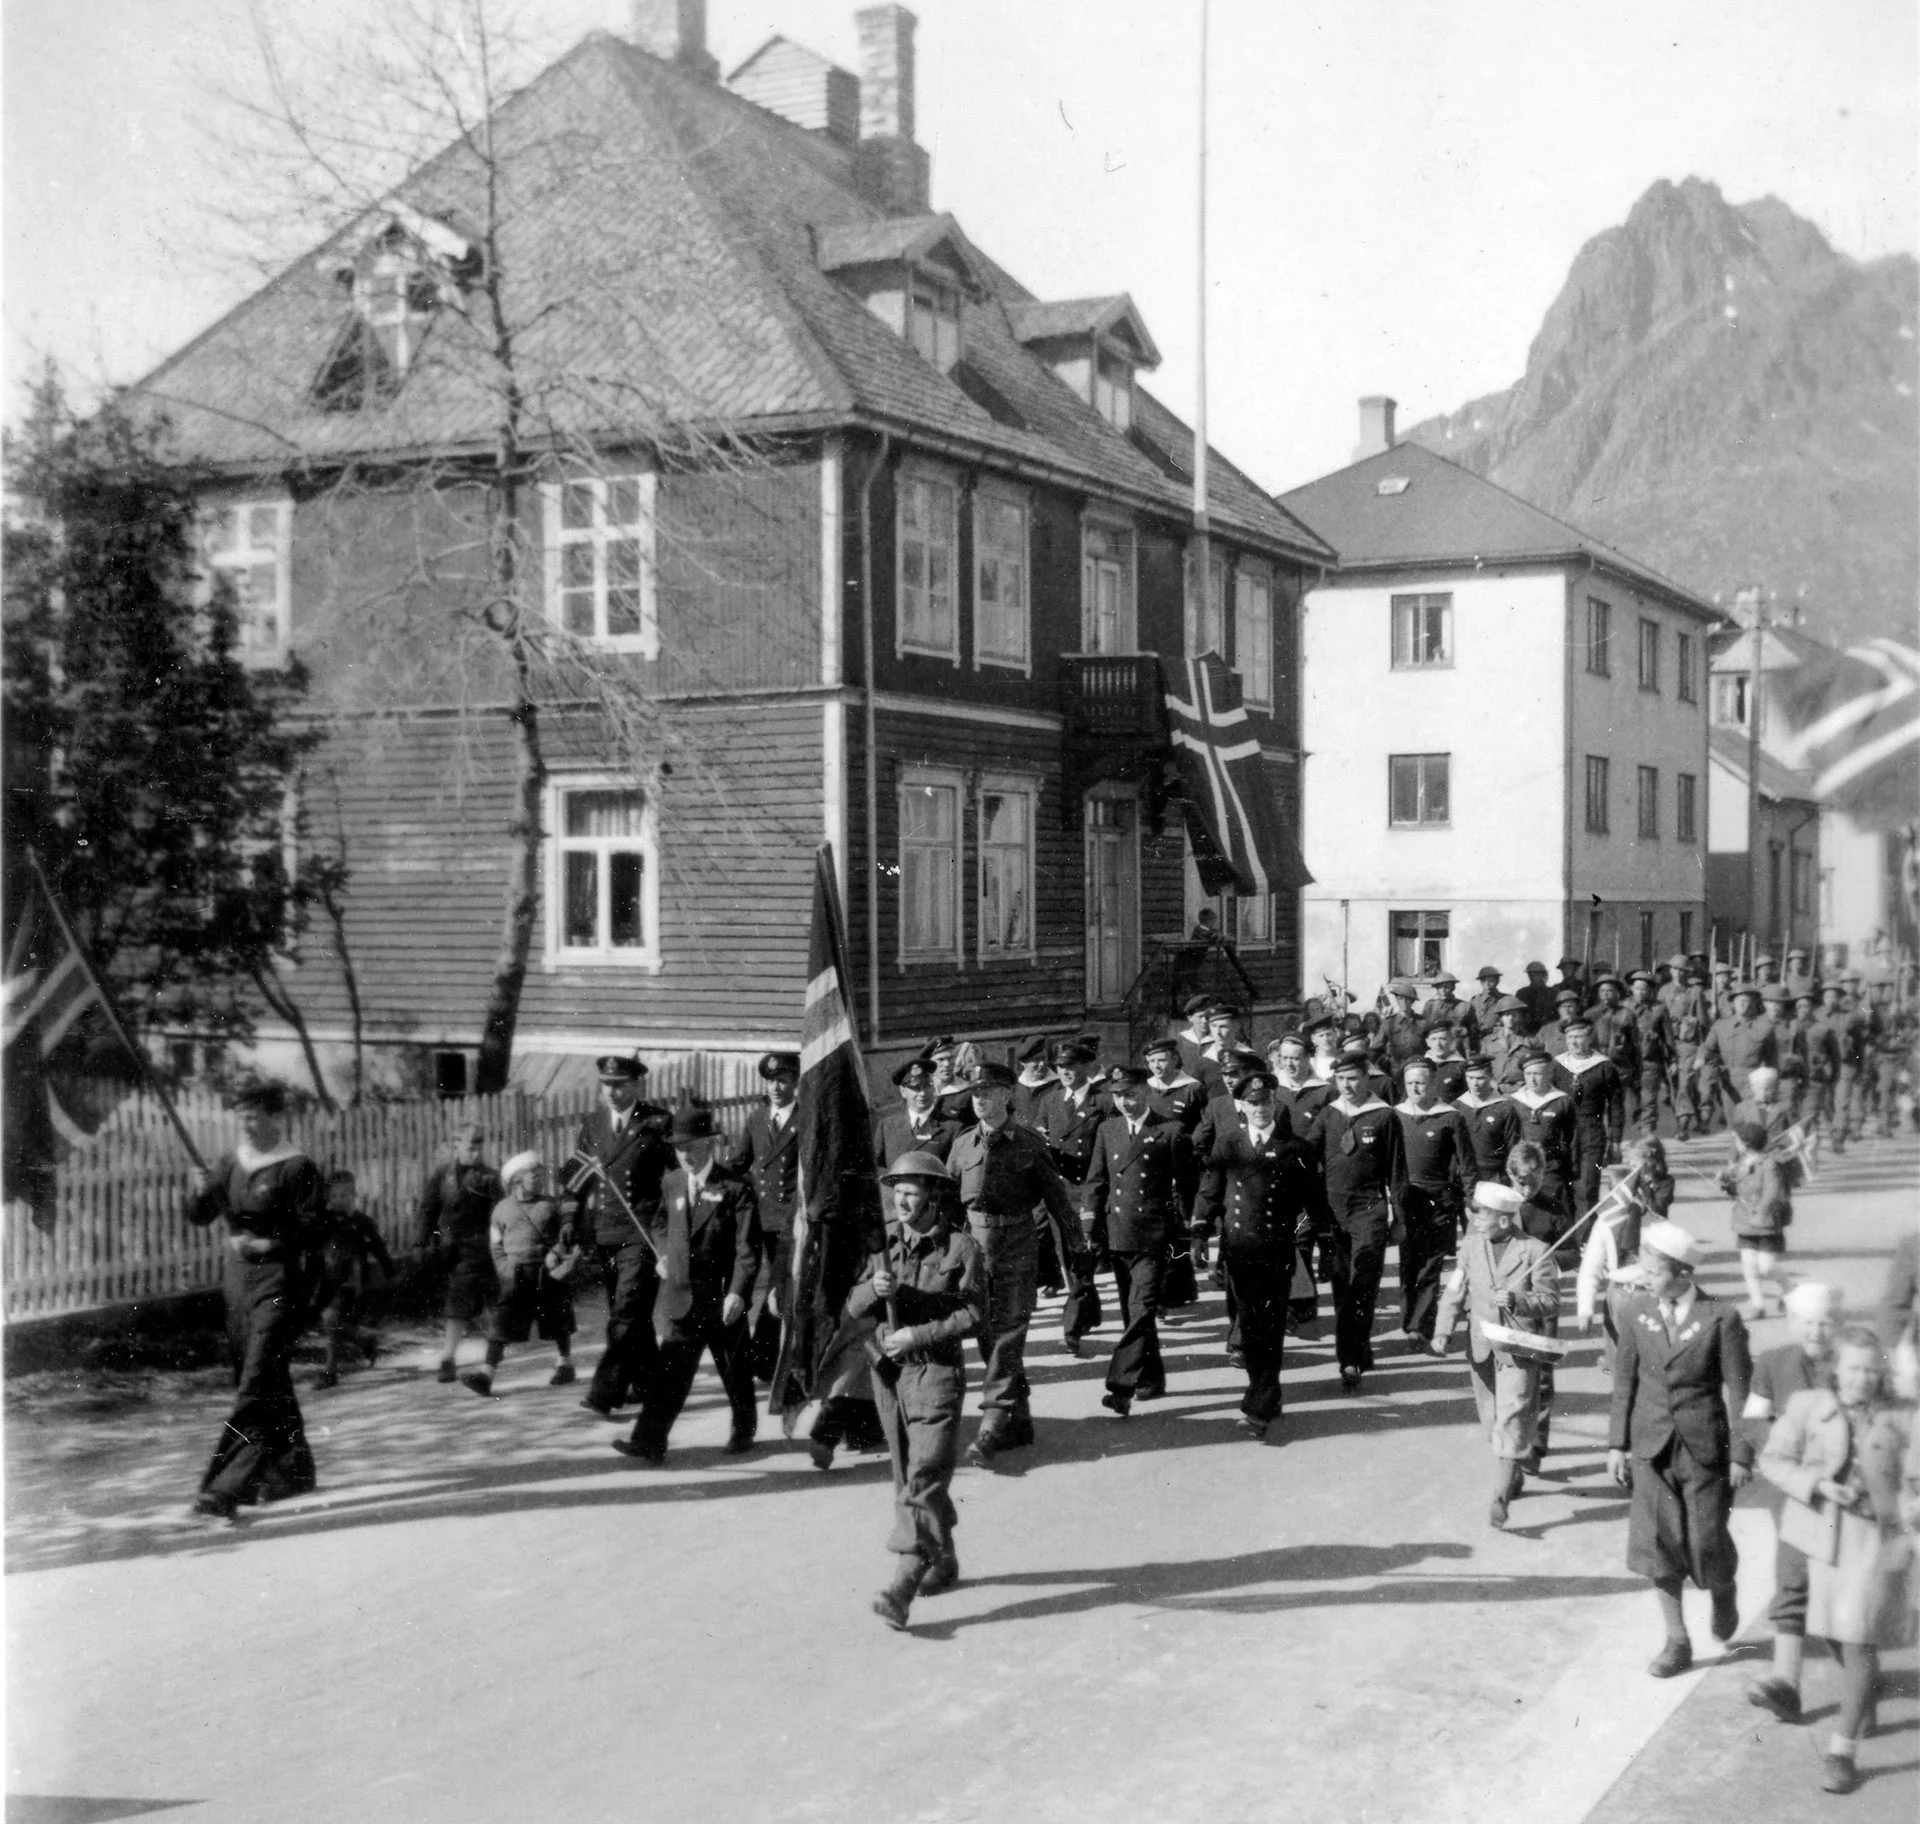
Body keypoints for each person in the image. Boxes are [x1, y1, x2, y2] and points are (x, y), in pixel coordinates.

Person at [1759, 1327, 1913, 1796]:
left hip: (1879, 1540)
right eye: (1853, 1369)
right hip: (1823, 1536)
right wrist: (1819, 1485)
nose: (1862, 1379)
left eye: (1871, 1369)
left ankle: (1840, 1752)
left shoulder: (1905, 1416)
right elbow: (1774, 1460)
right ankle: (1862, 1694)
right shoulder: (1808, 1407)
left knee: (1857, 1637)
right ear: (1835, 1370)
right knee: (1833, 1632)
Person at [1608, 1219, 1753, 1678]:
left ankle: (1723, 1587)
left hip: (1704, 1447)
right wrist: (1617, 1444)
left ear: (1683, 1273)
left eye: (1652, 1270)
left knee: (1707, 1540)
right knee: (1658, 1545)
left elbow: (1740, 1392)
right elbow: (1623, 1382)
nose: (1644, 1278)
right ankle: (1676, 1640)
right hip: (1651, 1446)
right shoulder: (1634, 1311)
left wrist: (1742, 1454)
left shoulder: (1721, 1317)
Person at [184, 1080, 327, 1521]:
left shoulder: (296, 1166)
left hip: (279, 1281)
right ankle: (293, 1469)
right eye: (240, 1116)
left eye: (253, 1115)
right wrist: (199, 1188)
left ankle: (227, 1486)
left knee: (257, 1381)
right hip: (237, 1284)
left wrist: (269, 1245)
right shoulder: (231, 1161)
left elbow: (315, 1228)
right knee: (267, 1376)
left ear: (273, 1117)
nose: (245, 1124)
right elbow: (200, 1215)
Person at [857, 1152, 987, 1631]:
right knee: (907, 1478)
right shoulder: (883, 1245)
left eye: (913, 1190)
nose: (903, 1199)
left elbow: (973, 1315)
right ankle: (943, 1558)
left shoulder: (961, 1248)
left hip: (936, 1373)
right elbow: (852, 1308)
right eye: (898, 1190)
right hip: (890, 1377)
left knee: (925, 1476)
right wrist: (875, 1287)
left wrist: (919, 1332)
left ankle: (902, 1585)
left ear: (934, 1194)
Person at [946, 1060, 1083, 1463]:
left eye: (988, 1092)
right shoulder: (963, 1144)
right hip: (975, 1249)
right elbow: (950, 1205)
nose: (980, 1100)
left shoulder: (1028, 1143)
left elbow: (1058, 1202)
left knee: (1008, 1334)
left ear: (1008, 1095)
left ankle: (991, 1422)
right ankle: (1017, 1422)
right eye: (975, 1093)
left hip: (1016, 1246)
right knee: (988, 1335)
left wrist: (1077, 1248)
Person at [613, 1105, 761, 1464]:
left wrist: (739, 1292)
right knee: (671, 1373)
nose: (686, 1155)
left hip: (722, 1296)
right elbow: (660, 1223)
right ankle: (649, 1440)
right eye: (679, 1149)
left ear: (710, 1143)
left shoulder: (735, 1188)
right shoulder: (673, 1181)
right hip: (681, 1294)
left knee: (733, 1370)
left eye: (693, 1146)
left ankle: (744, 1430)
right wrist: (664, 1253)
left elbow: (747, 1248)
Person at [1190, 1067, 1324, 1438]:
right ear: (1241, 1106)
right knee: (1250, 1326)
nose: (1261, 1108)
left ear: (1275, 1103)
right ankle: (1267, 1391)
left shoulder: (1296, 1148)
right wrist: (1200, 1231)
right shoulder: (1229, 1143)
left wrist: (1319, 1243)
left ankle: (1259, 1404)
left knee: (1271, 1324)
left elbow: (1312, 1203)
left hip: (1277, 1249)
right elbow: (1211, 1189)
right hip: (1239, 1248)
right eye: (1253, 1103)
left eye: (1266, 1101)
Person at [1431, 1181, 1561, 1526]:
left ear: (1504, 1219)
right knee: (1492, 1423)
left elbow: (1550, 1301)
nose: (1475, 1219)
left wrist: (1520, 1300)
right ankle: (1512, 1467)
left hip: (1518, 1350)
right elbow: (1455, 1290)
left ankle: (1499, 1499)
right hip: (1481, 1349)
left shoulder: (1535, 1251)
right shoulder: (1471, 1245)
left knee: (1511, 1419)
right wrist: (1443, 1330)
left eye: (1482, 1214)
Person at [1744, 1282, 1842, 1726]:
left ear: (1837, 1324)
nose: (1816, 1330)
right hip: (1794, 1492)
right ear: (1792, 1323)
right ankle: (1787, 1682)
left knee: (1841, 1589)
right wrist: (1775, 1455)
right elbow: (1753, 1420)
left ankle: (1862, 1684)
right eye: (1807, 1322)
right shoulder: (1772, 1363)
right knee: (1792, 1578)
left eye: (1824, 1322)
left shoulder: (1854, 1361)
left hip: (1845, 1493)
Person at [565, 1056, 675, 1420]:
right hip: (606, 1231)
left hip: (643, 1231)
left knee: (627, 1309)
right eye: (606, 1084)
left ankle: (605, 1391)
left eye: (619, 1084)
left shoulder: (657, 1123)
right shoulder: (593, 1124)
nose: (611, 1091)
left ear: (636, 1085)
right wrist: (569, 1219)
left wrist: (675, 1226)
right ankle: (651, 1383)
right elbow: (576, 1177)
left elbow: (679, 1177)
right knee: (629, 1312)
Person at [1085, 1065, 1192, 1418]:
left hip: (1154, 1235)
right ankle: (1152, 1378)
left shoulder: (1170, 1130)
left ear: (1145, 1092)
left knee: (1143, 1307)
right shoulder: (1108, 1129)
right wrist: (1090, 1225)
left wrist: (1187, 1235)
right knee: (1134, 1313)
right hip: (1118, 1233)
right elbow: (1096, 1181)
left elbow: (1186, 1187)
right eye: (1118, 1095)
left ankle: (1120, 1386)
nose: (1125, 1102)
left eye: (1130, 1094)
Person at [1311, 1050, 1403, 1392]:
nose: (1347, 1085)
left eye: (1353, 1078)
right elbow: (1306, 1154)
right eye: (1341, 1079)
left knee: (1363, 1283)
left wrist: (1400, 1219)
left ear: (1367, 1079)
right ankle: (1358, 1349)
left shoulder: (1384, 1117)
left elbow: (1398, 1173)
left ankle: (1348, 1359)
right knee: (1341, 1286)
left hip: (1369, 1210)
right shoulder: (1328, 1115)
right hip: (1334, 1213)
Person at [460, 1151, 577, 1396]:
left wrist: (556, 1251)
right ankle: (486, 1375)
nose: (539, 1178)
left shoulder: (549, 1205)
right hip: (517, 1275)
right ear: (516, 1180)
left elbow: (564, 1237)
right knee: (502, 1323)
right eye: (532, 1174)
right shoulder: (502, 1210)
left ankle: (564, 1364)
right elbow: (495, 1244)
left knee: (558, 1318)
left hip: (547, 1272)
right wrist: (505, 1268)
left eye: (540, 1173)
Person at [729, 1051, 802, 1384]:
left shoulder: (806, 1118)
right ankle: (755, 1357)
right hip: (758, 1217)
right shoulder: (756, 1119)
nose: (776, 1087)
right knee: (741, 1283)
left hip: (791, 1220)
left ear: (795, 1082)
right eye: (771, 1080)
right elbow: (739, 1162)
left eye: (783, 1080)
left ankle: (764, 1359)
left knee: (781, 1287)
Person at [414, 1121, 504, 1384]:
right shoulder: (442, 1177)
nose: (475, 1153)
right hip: (452, 1251)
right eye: (469, 1148)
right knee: (461, 1304)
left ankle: (472, 1360)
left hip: (483, 1250)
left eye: (479, 1148)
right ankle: (453, 1357)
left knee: (485, 1305)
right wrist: (419, 1243)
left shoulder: (490, 1178)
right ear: (456, 1146)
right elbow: (428, 1211)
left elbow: (500, 1216)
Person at [1393, 1057, 1469, 1352]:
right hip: (1405, 1202)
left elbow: (1467, 1163)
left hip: (1439, 1201)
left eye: (1421, 1082)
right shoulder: (1394, 1115)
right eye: (1410, 1082)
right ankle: (1409, 1319)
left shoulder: (1450, 1117)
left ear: (1432, 1083)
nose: (1415, 1087)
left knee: (1430, 1265)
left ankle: (1419, 1326)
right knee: (1408, 1263)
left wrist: (1469, 1198)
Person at [1721, 1066, 1800, 1318]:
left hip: (1774, 1173)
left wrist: (1780, 1157)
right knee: (1747, 1260)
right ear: (1752, 1088)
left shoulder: (1784, 1109)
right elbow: (1736, 1138)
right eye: (1759, 1088)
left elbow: (1793, 1139)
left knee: (1767, 1262)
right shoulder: (1743, 1109)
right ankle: (1757, 1304)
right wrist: (1731, 1165)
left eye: (1769, 1087)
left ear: (1775, 1088)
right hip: (1748, 1173)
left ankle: (1790, 1290)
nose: (1764, 1092)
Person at [313, 1168, 394, 1388]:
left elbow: (378, 1247)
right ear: (328, 1198)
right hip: (328, 1278)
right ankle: (364, 1341)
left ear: (354, 1196)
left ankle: (329, 1372)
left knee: (332, 1319)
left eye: (345, 1196)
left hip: (352, 1279)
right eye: (335, 1197)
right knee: (333, 1322)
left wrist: (389, 1271)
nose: (339, 1201)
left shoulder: (362, 1222)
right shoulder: (324, 1221)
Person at [1552, 1013, 1624, 1216]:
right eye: (1570, 1037)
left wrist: (1615, 1140)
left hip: (1592, 1130)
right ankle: (1569, 1241)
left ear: (1589, 1038)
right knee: (1563, 1187)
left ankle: (1586, 1237)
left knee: (1588, 1187)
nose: (1574, 1042)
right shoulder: (1557, 1066)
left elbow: (1616, 1106)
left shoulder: (1604, 1066)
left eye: (1579, 1036)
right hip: (1563, 1132)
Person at [1509, 1048, 1576, 1217]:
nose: (1532, 1079)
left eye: (1538, 1074)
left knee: (1552, 1212)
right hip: (1522, 1170)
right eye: (1528, 1074)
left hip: (1551, 1168)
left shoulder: (1562, 1101)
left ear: (1548, 1074)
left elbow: (1571, 1138)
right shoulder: (1513, 1102)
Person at [1700, 983, 1780, 1122]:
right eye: (1738, 1000)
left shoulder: (1765, 1027)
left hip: (1755, 1082)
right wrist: (1701, 1058)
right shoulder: (1721, 1026)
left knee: (1754, 1124)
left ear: (1755, 1003)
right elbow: (1708, 1048)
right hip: (1729, 1082)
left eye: (1746, 1000)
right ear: (1732, 1004)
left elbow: (1772, 1058)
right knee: (1734, 1124)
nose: (1742, 1004)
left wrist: (1773, 1084)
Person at [1455, 1055, 1521, 1185]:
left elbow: (1513, 1146)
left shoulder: (1505, 1108)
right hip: (1463, 1177)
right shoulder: (1457, 1108)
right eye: (1471, 1078)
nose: (1475, 1083)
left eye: (1480, 1078)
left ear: (1490, 1076)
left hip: (1496, 1176)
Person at [1625, 970, 1676, 1135]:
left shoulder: (1659, 1009)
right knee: (1634, 1101)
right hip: (1629, 1062)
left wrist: (1673, 1059)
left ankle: (1648, 1132)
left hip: (1650, 1060)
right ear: (1632, 989)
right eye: (1638, 988)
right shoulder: (1624, 1007)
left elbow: (1668, 1036)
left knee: (1649, 1099)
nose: (1641, 992)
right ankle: (1639, 1124)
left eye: (1645, 989)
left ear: (1651, 991)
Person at [1011, 1036, 1058, 1126]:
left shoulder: (1057, 1085)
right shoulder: (1015, 1088)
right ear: (1023, 1062)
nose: (1042, 1064)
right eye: (1036, 1060)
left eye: (1043, 1058)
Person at [1516, 960, 1558, 1032]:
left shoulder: (1553, 993)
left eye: (1537, 975)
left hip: (1549, 1030)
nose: (1533, 977)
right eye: (1531, 975)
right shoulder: (1522, 993)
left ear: (1544, 975)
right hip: (1527, 1031)